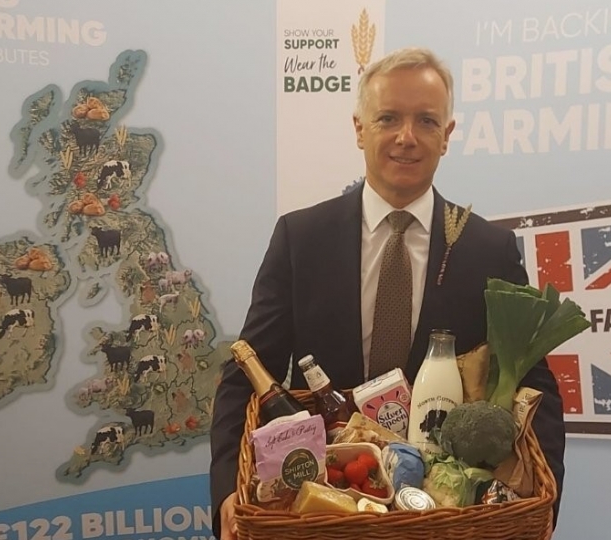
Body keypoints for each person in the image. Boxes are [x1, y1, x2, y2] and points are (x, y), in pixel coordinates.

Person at [210, 46, 565, 540]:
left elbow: (536, 385)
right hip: (323, 506)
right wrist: (229, 492)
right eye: (388, 118)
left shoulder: (489, 248)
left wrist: (545, 505)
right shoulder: (300, 238)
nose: (406, 137)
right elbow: (247, 373)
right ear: (359, 128)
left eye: (426, 120)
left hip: (447, 517)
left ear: (448, 135)